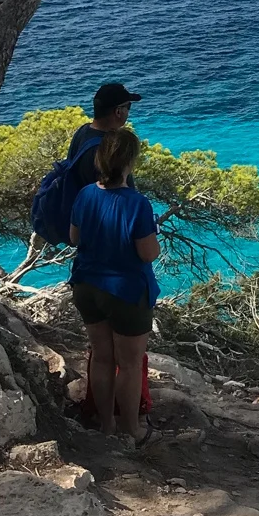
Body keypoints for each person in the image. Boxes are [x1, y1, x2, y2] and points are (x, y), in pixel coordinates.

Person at [69, 125, 160, 444]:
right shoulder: (138, 204)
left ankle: (106, 426)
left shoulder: (85, 194)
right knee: (130, 364)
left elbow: (74, 238)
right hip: (126, 292)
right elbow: (147, 253)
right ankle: (132, 430)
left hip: (87, 287)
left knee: (102, 357)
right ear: (130, 163)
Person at [66, 81, 143, 188]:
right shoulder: (110, 147)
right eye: (128, 106)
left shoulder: (82, 131)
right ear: (118, 112)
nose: (128, 111)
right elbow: (115, 194)